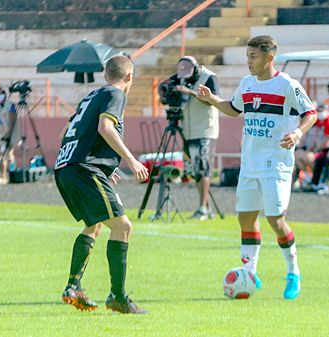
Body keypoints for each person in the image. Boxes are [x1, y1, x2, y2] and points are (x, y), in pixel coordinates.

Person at [197, 35, 317, 300]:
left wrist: (297, 134)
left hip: (276, 165)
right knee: (246, 218)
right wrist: (213, 99)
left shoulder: (287, 85)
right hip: (249, 164)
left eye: (254, 56)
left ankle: (293, 272)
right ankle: (249, 273)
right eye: (247, 56)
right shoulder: (247, 84)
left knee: (276, 220)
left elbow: (310, 113)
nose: (249, 61)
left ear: (269, 57)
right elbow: (235, 108)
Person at [54, 55, 150, 314]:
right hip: (83, 169)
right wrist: (130, 160)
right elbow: (105, 127)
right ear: (129, 77)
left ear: (106, 74)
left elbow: (67, 131)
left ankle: (73, 287)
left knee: (94, 224)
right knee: (123, 226)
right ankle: (118, 297)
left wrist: (104, 165)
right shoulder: (116, 95)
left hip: (67, 166)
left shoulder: (92, 96)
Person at [158, 56, 220, 220]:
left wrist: (190, 92)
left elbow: (214, 101)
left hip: (205, 129)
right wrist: (163, 91)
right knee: (195, 170)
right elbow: (164, 83)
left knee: (202, 168)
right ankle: (206, 207)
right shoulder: (182, 75)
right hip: (188, 129)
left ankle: (203, 208)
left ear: (196, 69)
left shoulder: (209, 77)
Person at [295, 104, 329, 190]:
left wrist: (315, 149)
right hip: (314, 149)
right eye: (318, 111)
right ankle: (308, 176)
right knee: (297, 154)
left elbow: (328, 142)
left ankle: (317, 179)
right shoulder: (318, 121)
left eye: (321, 111)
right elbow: (314, 135)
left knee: (309, 157)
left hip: (325, 150)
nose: (320, 113)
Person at [0, 87, 19, 185]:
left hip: (6, 131)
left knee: (6, 154)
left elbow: (12, 119)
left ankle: (5, 176)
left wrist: (9, 133)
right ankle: (8, 173)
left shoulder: (9, 105)